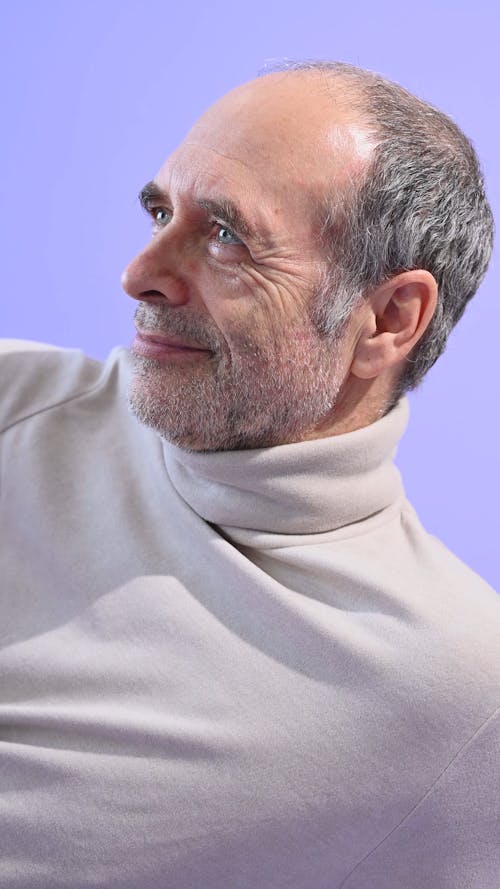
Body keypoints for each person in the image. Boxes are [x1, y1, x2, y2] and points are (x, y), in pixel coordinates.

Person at [0, 61, 498, 889]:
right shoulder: (14, 406)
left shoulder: (465, 696)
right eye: (161, 211)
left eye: (226, 235)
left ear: (388, 319)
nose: (140, 273)